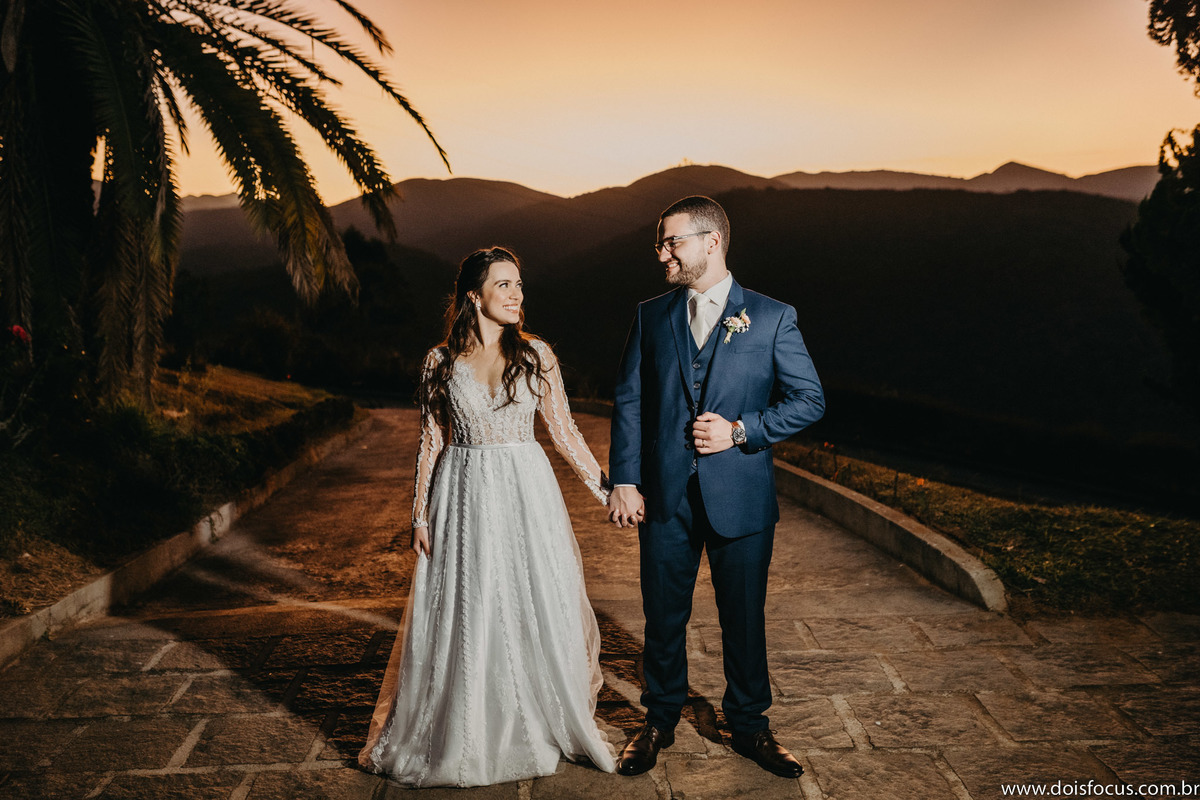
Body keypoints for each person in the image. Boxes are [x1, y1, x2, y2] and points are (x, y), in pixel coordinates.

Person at [359, 246, 617, 786]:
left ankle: (541, 713)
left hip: (526, 489)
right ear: (474, 296)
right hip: (463, 491)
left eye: (520, 284)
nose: (518, 294)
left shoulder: (537, 354)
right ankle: (468, 725)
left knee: (534, 596)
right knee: (471, 603)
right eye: (504, 285)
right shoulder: (440, 362)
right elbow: (431, 440)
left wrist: (608, 491)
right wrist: (419, 517)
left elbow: (566, 432)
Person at [607, 196, 825, 778]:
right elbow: (630, 400)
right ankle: (658, 721)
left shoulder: (773, 317)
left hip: (743, 498)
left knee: (744, 618)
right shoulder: (652, 315)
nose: (662, 254)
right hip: (664, 495)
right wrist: (625, 479)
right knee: (663, 616)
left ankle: (750, 727)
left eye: (671, 242)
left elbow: (809, 400)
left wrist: (741, 431)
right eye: (661, 243)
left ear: (712, 242)